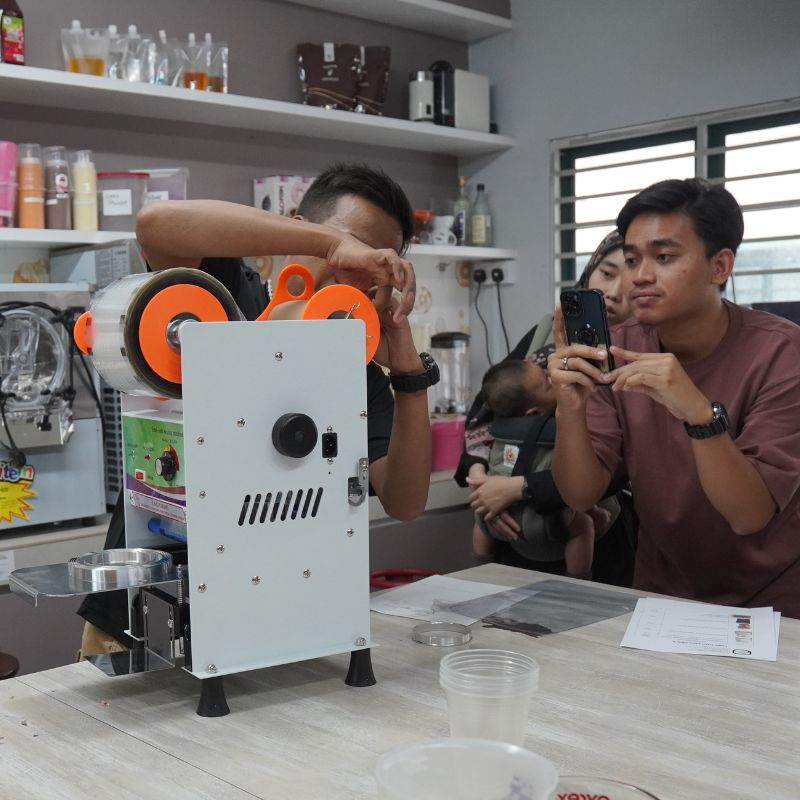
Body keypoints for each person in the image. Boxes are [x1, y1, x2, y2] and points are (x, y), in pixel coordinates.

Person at [78, 163, 437, 655]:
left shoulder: (352, 372)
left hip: (272, 626)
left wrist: (409, 374)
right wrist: (331, 245)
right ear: (298, 226)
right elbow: (156, 223)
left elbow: (405, 501)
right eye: (352, 246)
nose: (353, 271)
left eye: (374, 263)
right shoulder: (222, 292)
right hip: (140, 615)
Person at [549, 177, 800, 617]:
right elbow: (580, 495)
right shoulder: (616, 350)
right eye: (632, 259)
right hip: (663, 594)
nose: (640, 276)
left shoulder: (781, 353)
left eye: (663, 257)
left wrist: (699, 413)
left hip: (774, 601)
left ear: (720, 266)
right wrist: (569, 406)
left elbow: (749, 515)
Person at [455, 230, 638, 586]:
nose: (614, 292)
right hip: (512, 538)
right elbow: (487, 406)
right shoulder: (546, 332)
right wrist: (482, 482)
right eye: (606, 273)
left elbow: (623, 462)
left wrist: (517, 488)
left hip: (595, 537)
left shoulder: (639, 355)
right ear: (590, 271)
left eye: (630, 284)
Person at [470, 357, 617, 578]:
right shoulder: (557, 430)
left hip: (499, 512)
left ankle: (479, 570)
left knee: (479, 526)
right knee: (583, 526)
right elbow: (573, 479)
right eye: (548, 382)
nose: (553, 376)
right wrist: (593, 511)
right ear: (534, 413)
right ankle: (578, 580)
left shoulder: (499, 432)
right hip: (545, 518)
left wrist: (482, 482)